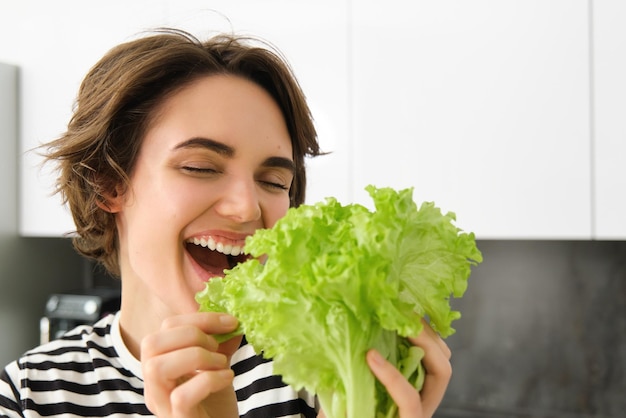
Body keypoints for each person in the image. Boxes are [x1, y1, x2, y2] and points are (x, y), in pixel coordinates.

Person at [0, 28, 452, 418]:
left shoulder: (330, 373)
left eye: (274, 180)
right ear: (109, 186)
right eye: (200, 167)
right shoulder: (30, 395)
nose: (246, 208)